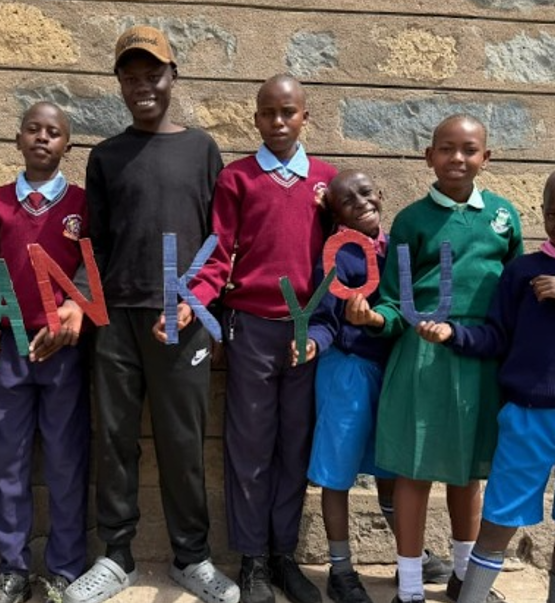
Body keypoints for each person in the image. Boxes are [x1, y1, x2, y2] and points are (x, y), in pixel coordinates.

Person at [64, 25, 238, 603]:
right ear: (119, 84)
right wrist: (78, 302)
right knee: (115, 440)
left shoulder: (202, 150)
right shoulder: (106, 156)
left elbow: (219, 241)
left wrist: (198, 305)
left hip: (183, 319)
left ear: (173, 76)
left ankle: (192, 558)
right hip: (115, 321)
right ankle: (116, 557)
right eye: (131, 77)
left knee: (183, 443)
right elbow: (93, 244)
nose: (143, 86)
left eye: (153, 74)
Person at [416, 164, 555, 603]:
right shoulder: (523, 271)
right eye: (553, 213)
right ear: (541, 211)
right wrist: (454, 334)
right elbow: (497, 336)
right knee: (500, 516)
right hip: (528, 416)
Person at [163, 74, 336, 603]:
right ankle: (253, 558)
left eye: (288, 112)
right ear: (256, 118)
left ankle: (284, 555)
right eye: (268, 113)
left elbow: (347, 254)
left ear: (305, 117)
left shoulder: (327, 181)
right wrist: (193, 300)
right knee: (250, 446)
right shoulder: (237, 179)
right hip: (250, 327)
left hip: (305, 331)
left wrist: (328, 327)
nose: (278, 122)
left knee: (294, 444)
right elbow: (218, 254)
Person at [345, 114, 523, 603]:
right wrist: (374, 318)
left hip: (478, 357)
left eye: (469, 149)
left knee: (468, 473)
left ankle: (466, 579)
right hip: (421, 358)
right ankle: (408, 587)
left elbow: (515, 293)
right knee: (415, 469)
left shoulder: (503, 216)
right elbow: (394, 299)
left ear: (486, 158)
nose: (457, 158)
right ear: (429, 156)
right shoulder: (411, 220)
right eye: (446, 148)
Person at [293, 171, 451, 603]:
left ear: (381, 194)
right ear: (336, 214)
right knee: (337, 473)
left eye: (366, 193)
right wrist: (313, 342)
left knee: (391, 467)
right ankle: (341, 569)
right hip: (347, 371)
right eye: (347, 201)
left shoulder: (398, 247)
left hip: (392, 370)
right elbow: (324, 317)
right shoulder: (336, 255)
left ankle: (411, 559)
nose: (361, 203)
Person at [0, 102, 90, 603]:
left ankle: (64, 569)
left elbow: (90, 270)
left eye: (54, 132)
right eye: (33, 130)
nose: (43, 138)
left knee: (65, 460)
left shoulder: (82, 205)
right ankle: (12, 570)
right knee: (10, 463)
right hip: (12, 348)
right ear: (17, 139)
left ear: (68, 145)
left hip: (62, 349)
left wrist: (73, 309)